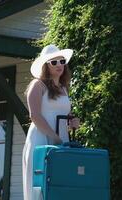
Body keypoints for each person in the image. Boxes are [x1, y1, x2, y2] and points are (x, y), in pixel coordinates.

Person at [22, 44, 80, 200]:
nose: (59, 65)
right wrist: (53, 137)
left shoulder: (63, 88)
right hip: (41, 139)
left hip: (61, 140)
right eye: (54, 62)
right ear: (46, 66)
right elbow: (35, 115)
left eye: (62, 61)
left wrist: (73, 121)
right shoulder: (37, 85)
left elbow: (64, 114)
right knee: (40, 186)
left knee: (60, 184)